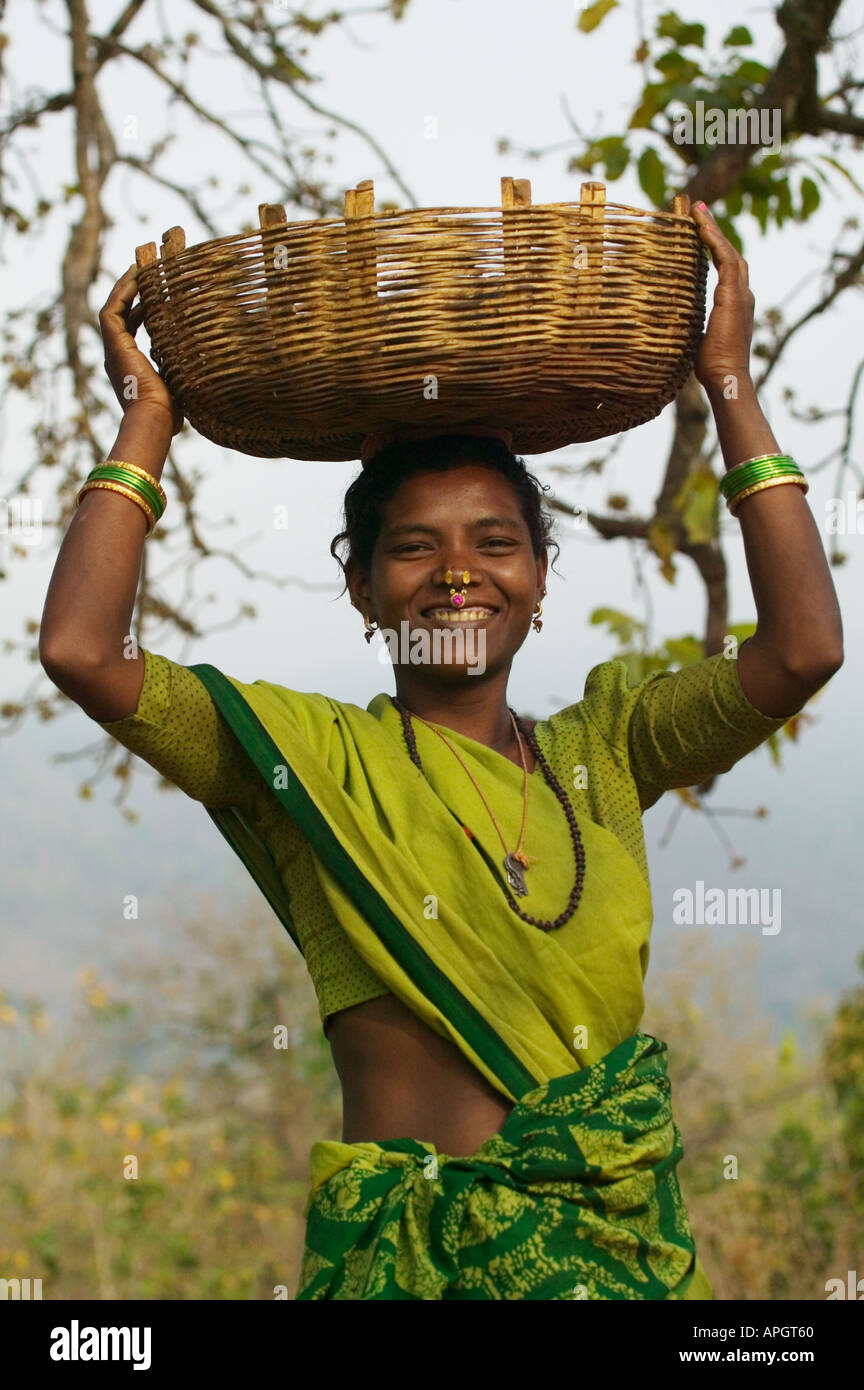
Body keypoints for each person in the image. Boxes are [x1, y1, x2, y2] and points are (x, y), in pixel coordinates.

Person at [39, 203, 843, 1300]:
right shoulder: (301, 760)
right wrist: (148, 422)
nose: (457, 573)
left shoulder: (604, 752)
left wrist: (730, 383)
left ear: (541, 582)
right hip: (406, 1268)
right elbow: (83, 650)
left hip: (616, 1263)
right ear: (363, 589)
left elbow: (803, 649)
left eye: (494, 542)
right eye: (413, 547)